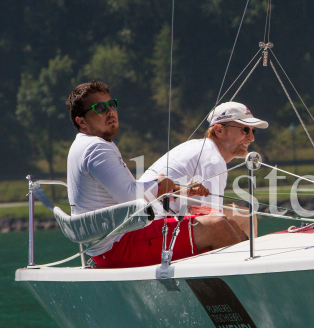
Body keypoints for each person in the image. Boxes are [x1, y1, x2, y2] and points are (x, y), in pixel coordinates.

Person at [64, 81, 246, 269]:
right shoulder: (96, 148)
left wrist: (177, 189)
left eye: (112, 104)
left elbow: (126, 194)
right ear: (81, 121)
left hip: (114, 242)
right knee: (218, 227)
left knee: (228, 221)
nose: (110, 111)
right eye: (100, 108)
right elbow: (129, 195)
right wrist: (160, 186)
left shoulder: (88, 145)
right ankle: (246, 289)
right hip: (120, 246)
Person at [141, 102, 267, 236]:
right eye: (245, 130)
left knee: (245, 216)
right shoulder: (213, 160)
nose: (251, 138)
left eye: (253, 131)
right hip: (154, 228)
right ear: (219, 130)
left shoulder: (201, 147)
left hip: (149, 221)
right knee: (233, 222)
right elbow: (213, 220)